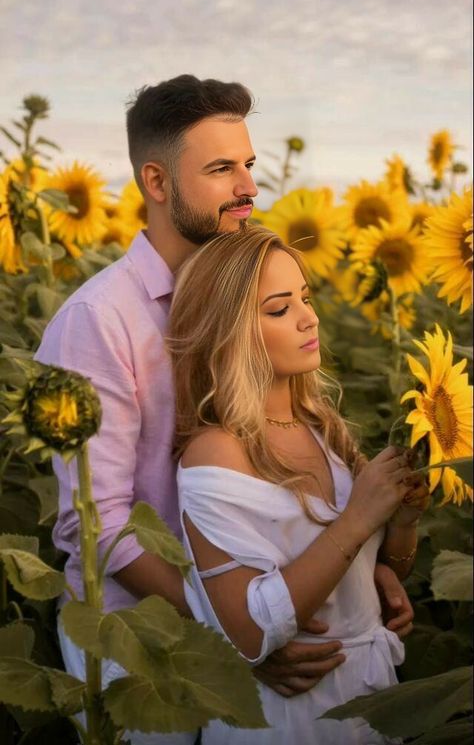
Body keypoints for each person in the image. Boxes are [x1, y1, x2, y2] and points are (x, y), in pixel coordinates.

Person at [35, 75, 415, 744]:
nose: (247, 186)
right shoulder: (100, 320)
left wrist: (357, 574)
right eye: (220, 168)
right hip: (149, 648)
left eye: (248, 164)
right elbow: (98, 526)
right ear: (156, 182)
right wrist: (240, 630)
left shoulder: (253, 286)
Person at [168, 226, 430, 744]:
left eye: (306, 299)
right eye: (279, 309)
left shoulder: (323, 426)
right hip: (291, 717)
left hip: (367, 697)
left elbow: (368, 571)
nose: (309, 318)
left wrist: (400, 527)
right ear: (230, 329)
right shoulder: (217, 451)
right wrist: (358, 517)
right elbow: (250, 632)